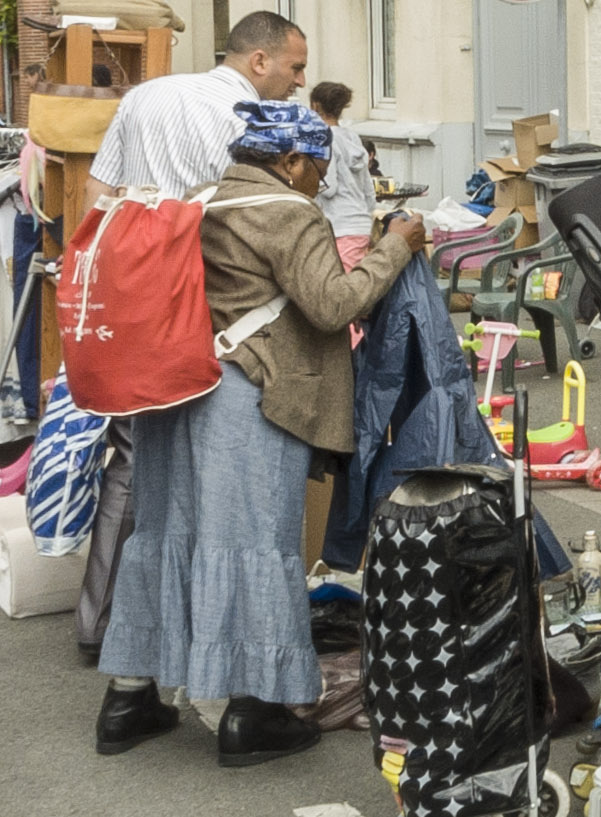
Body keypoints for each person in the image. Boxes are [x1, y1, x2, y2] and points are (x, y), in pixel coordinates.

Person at [92, 100, 427, 767]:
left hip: (173, 391)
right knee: (253, 544)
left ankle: (128, 700)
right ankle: (253, 711)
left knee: (164, 535)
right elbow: (333, 304)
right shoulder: (285, 211)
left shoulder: (198, 198)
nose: (320, 185)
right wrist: (398, 244)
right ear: (290, 160)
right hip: (249, 399)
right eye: (318, 170)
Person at [72, 10, 309, 663]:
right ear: (258, 61)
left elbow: (98, 195)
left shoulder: (146, 95)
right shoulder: (251, 119)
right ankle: (205, 641)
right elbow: (245, 213)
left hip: (136, 303)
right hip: (210, 307)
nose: (297, 82)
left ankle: (105, 627)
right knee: (219, 485)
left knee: (137, 464)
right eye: (293, 67)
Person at [308, 81, 378, 269]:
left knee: (347, 289)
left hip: (339, 225)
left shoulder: (324, 140)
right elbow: (368, 191)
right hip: (359, 222)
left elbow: (329, 188)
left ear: (315, 106)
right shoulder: (352, 138)